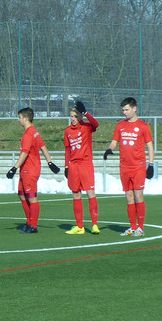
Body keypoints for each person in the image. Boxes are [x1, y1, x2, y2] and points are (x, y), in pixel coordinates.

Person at [105, 97, 155, 237]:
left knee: (138, 195)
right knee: (128, 196)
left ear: (135, 109)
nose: (124, 112)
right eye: (123, 110)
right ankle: (132, 227)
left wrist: (150, 165)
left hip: (138, 166)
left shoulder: (143, 126)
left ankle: (140, 227)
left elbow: (150, 146)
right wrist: (109, 149)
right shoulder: (120, 126)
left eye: (127, 109)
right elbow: (114, 142)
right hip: (124, 167)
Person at [6, 108, 61, 234]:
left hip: (29, 170)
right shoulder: (34, 132)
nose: (18, 120)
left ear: (25, 118)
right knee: (21, 194)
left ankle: (33, 225)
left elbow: (25, 153)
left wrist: (14, 168)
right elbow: (43, 147)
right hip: (27, 169)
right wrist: (50, 162)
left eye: (19, 117)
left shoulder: (28, 134)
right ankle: (29, 221)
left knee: (31, 197)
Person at [63, 100, 101, 235]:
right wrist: (66, 166)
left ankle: (95, 224)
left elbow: (96, 124)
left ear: (80, 117)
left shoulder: (86, 127)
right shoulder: (67, 131)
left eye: (75, 116)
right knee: (76, 193)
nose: (73, 119)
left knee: (90, 192)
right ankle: (80, 226)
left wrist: (86, 113)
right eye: (71, 116)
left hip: (85, 164)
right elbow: (67, 150)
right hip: (73, 165)